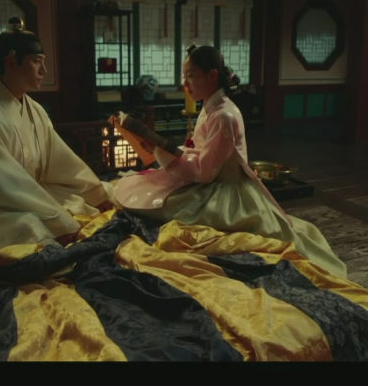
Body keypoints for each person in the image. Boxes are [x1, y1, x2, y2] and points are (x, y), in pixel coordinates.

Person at [112, 45, 347, 279]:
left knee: (163, 206)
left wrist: (162, 152)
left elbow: (205, 173)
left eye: (191, 76)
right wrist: (161, 148)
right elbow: (200, 152)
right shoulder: (211, 107)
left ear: (212, 75)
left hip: (226, 190)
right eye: (185, 77)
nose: (185, 84)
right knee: (146, 191)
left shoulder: (224, 115)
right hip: (211, 178)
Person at [0, 16, 113, 262]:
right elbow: (1, 187)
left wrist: (95, 193)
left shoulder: (35, 110)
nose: (44, 71)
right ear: (11, 62)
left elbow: (60, 160)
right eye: (36, 61)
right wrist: (58, 221)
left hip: (30, 195)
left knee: (90, 199)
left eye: (43, 62)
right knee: (33, 230)